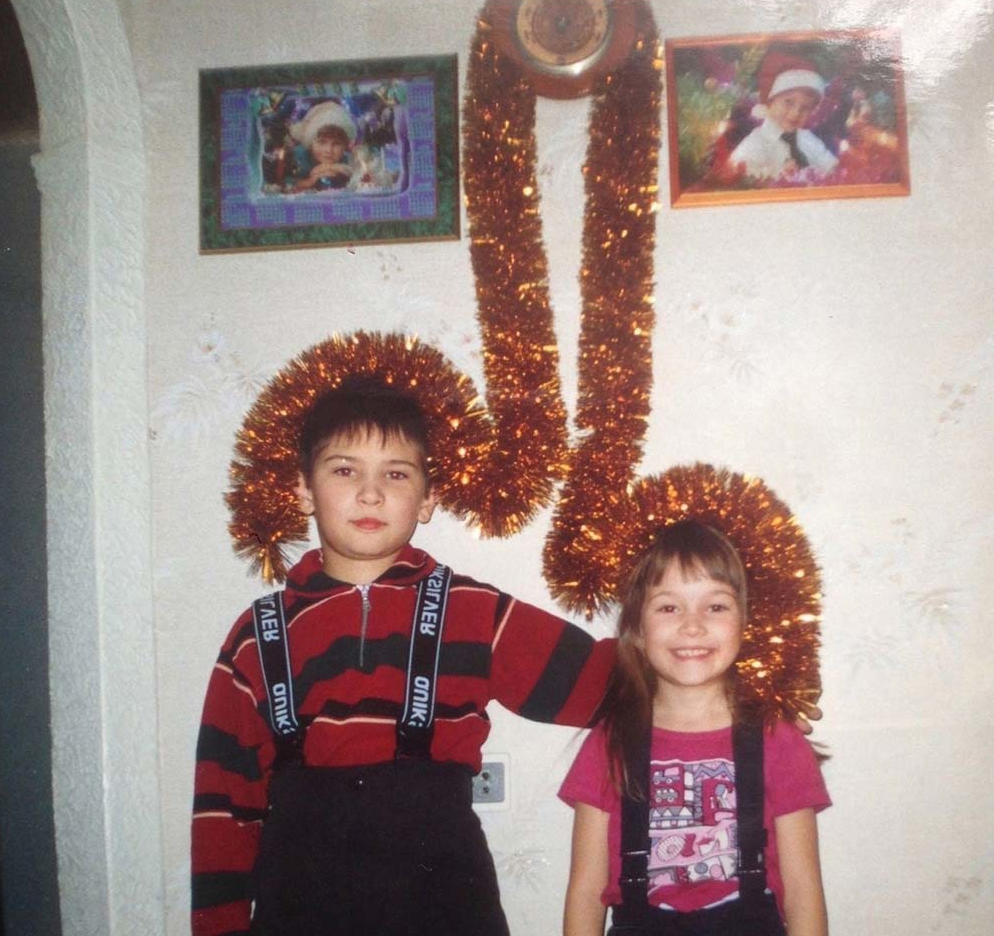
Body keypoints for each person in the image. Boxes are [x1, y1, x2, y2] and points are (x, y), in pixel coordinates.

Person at [190, 378, 617, 936]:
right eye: (345, 470)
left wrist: (707, 640)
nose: (370, 494)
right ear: (303, 489)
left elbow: (603, 688)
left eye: (395, 473)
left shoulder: (472, 612)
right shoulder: (256, 637)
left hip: (444, 904)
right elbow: (222, 806)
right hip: (300, 907)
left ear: (428, 497)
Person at [559, 520, 830, 936]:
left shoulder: (778, 740)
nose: (692, 625)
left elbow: (802, 890)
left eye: (716, 606)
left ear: (745, 622)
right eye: (669, 607)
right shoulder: (608, 743)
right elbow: (585, 891)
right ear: (637, 628)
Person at [728, 52, 838, 181]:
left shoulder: (807, 139)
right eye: (788, 103)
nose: (796, 113)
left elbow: (830, 165)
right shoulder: (756, 142)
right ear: (769, 102)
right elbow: (738, 174)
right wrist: (777, 174)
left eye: (805, 108)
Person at [287, 100, 355, 192]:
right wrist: (309, 181)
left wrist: (331, 168)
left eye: (337, 144)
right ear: (311, 143)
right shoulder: (298, 156)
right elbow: (282, 182)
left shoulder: (347, 159)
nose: (329, 150)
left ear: (344, 146)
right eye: (322, 142)